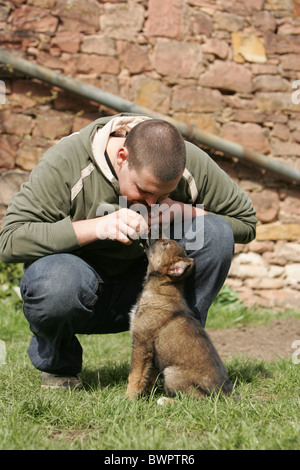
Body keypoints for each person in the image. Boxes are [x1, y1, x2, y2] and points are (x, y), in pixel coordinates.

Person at [0, 114, 257, 390]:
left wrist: (180, 211)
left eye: (161, 196)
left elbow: (246, 222)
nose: (150, 203)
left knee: (214, 232)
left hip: (154, 295)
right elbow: (9, 239)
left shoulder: (185, 161)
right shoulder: (66, 162)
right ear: (122, 156)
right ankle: (59, 368)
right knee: (55, 282)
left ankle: (173, 367)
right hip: (82, 291)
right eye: (143, 191)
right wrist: (97, 227)